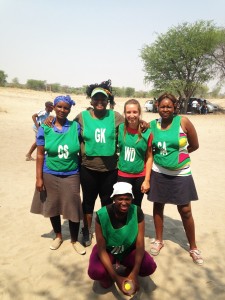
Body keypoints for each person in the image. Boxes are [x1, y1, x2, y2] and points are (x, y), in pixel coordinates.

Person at [147, 92, 203, 265]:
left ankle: (193, 247)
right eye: (162, 106)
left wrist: (179, 157)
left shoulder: (183, 122)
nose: (165, 110)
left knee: (185, 210)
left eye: (169, 107)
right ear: (157, 106)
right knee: (158, 205)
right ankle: (158, 240)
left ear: (174, 108)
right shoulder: (152, 125)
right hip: (159, 172)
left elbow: (194, 145)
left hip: (181, 173)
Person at [30, 95, 86, 255]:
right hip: (50, 173)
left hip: (71, 173)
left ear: (70, 109)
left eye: (66, 107)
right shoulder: (45, 128)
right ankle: (58, 236)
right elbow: (40, 155)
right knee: (52, 206)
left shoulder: (76, 127)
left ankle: (75, 240)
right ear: (54, 107)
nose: (62, 110)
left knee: (73, 207)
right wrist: (39, 178)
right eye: (59, 107)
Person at [74, 80, 124, 247]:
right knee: (87, 202)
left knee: (107, 202)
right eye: (96, 99)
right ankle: (86, 230)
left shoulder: (116, 117)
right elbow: (68, 129)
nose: (100, 102)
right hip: (88, 168)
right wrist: (50, 120)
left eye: (103, 99)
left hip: (110, 169)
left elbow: (131, 128)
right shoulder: (82, 117)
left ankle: (106, 230)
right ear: (91, 100)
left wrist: (143, 125)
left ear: (108, 100)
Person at [88, 182, 157, 296]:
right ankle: (110, 275)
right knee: (96, 272)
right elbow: (101, 249)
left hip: (128, 250)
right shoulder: (102, 215)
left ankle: (129, 271)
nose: (124, 203)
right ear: (114, 199)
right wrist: (116, 278)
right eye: (120, 199)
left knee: (149, 266)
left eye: (127, 199)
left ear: (131, 199)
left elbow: (140, 245)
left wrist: (134, 273)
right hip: (108, 250)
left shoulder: (137, 211)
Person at [117, 99, 152, 207]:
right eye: (128, 112)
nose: (131, 115)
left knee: (136, 206)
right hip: (122, 174)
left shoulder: (147, 132)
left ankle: (135, 224)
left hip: (139, 176)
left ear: (139, 113)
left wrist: (147, 180)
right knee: (121, 205)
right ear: (124, 113)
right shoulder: (120, 128)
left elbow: (150, 157)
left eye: (134, 112)